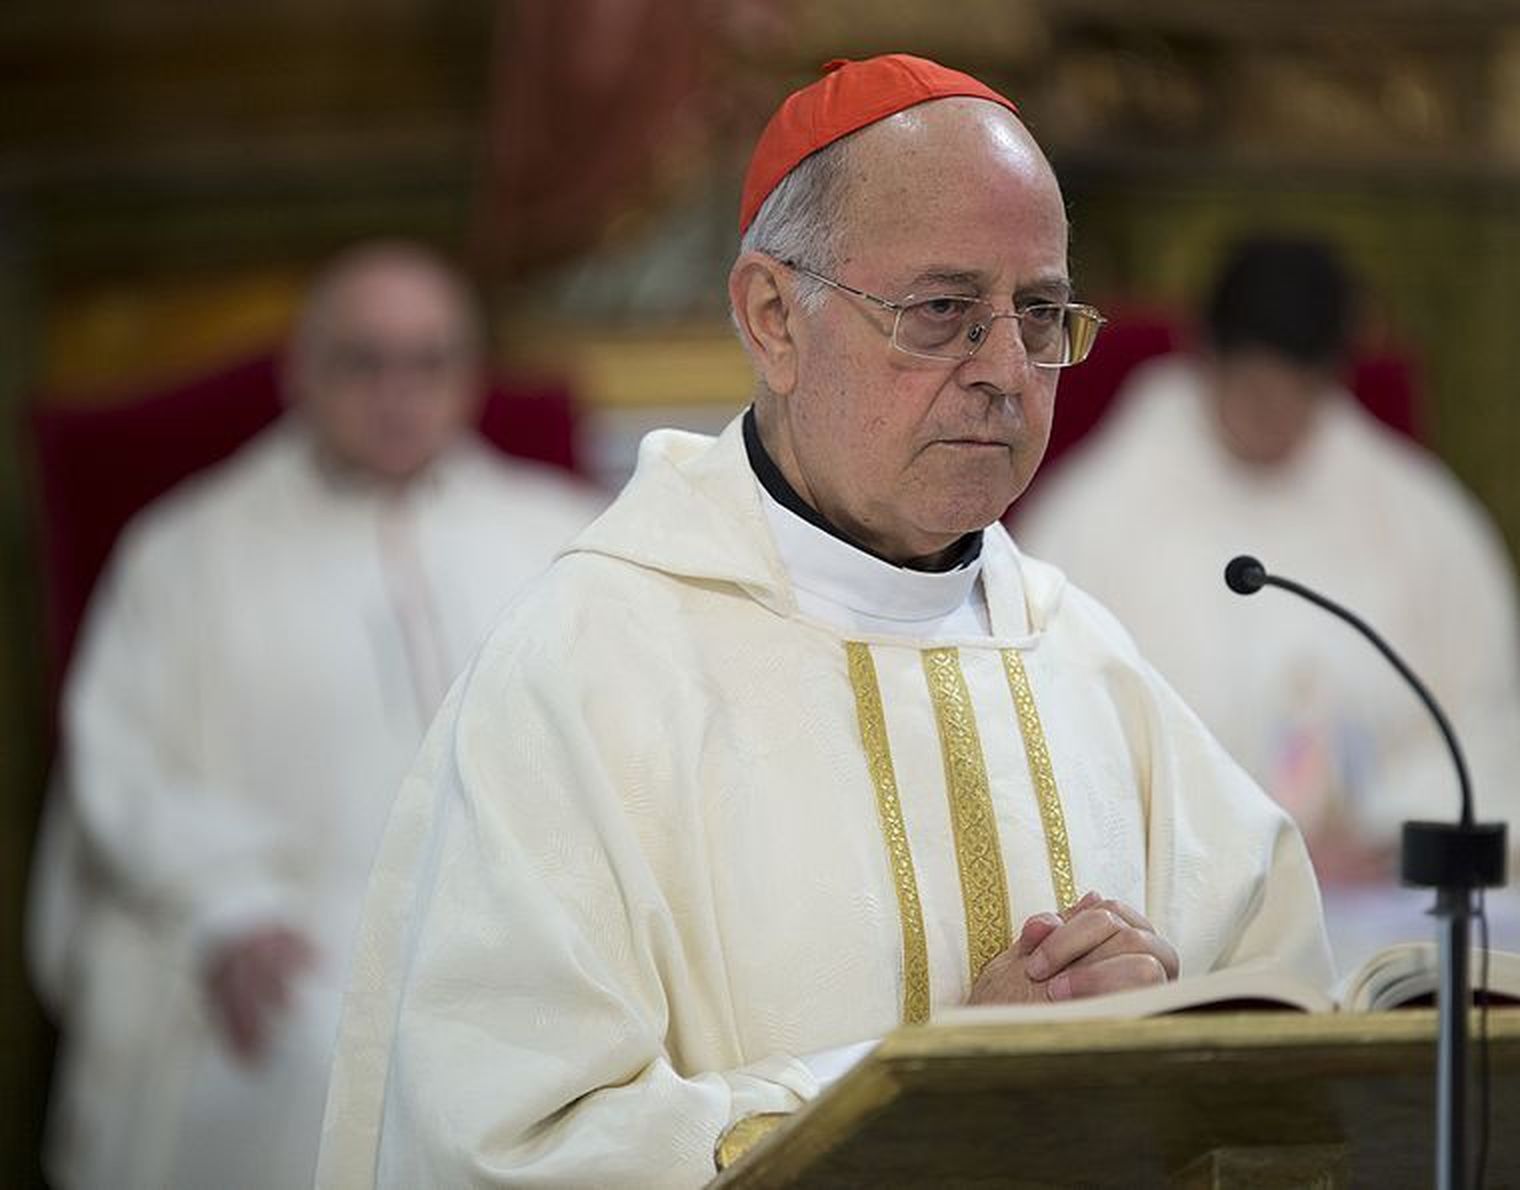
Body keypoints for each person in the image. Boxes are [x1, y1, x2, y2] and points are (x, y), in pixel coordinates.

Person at [317, 58, 1334, 1188]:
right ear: (771, 319)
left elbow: (1288, 1039)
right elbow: (504, 1146)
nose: (1004, 370)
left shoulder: (1080, 655)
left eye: (1038, 313)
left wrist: (1173, 1023)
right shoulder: (589, 667)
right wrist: (940, 1078)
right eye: (942, 310)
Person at [27, 241, 604, 1190]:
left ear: (469, 375)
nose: (398, 393)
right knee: (314, 1060)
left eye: (429, 363)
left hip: (526, 921)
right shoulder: (185, 553)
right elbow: (120, 763)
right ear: (301, 371)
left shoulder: (567, 535)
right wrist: (226, 906)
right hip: (286, 922)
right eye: (362, 361)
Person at [1018, 236, 1520, 973]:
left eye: (1299, 395)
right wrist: (1269, 850)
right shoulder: (1096, 518)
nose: (1274, 419)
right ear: (1208, 362)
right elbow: (1063, 743)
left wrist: (1389, 831)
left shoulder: (1416, 516)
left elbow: (1488, 724)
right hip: (1191, 898)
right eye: (1254, 392)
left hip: (1390, 879)